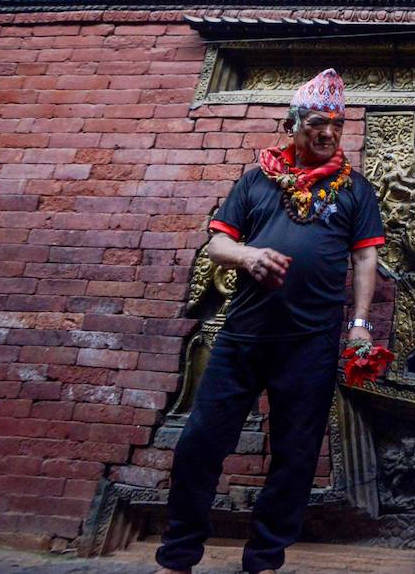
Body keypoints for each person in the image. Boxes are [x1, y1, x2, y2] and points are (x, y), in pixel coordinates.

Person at [155, 69, 385, 574]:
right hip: (243, 336)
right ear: (293, 123)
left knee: (296, 456)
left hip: (312, 342)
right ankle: (177, 557)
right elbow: (217, 242)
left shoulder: (355, 190)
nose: (328, 134)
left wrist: (361, 324)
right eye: (318, 124)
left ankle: (262, 561)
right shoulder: (256, 180)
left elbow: (365, 260)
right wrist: (248, 256)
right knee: (200, 443)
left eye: (337, 126)